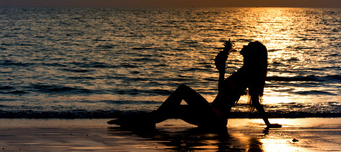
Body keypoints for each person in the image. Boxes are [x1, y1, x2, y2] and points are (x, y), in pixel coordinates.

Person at [108, 40, 281, 130]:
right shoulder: (243, 72)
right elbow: (255, 103)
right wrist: (267, 124)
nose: (245, 45)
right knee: (171, 109)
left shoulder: (245, 75)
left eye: (249, 46)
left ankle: (138, 122)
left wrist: (221, 70)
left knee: (181, 91)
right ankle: (140, 122)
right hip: (212, 115)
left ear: (251, 55)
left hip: (213, 119)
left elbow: (224, 91)